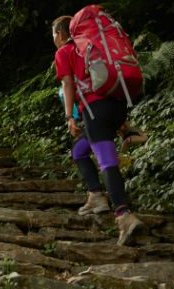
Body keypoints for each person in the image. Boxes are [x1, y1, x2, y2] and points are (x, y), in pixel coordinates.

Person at [52, 15, 143, 246]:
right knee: (80, 152)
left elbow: (67, 83)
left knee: (107, 162)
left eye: (54, 34)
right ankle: (96, 196)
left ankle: (124, 215)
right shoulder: (93, 45)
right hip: (117, 107)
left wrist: (68, 116)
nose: (54, 39)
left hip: (94, 111)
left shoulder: (65, 51)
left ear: (62, 34)